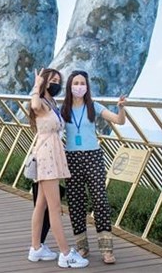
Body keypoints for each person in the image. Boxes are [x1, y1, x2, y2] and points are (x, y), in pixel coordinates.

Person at [60, 70, 126, 265]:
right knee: (76, 203)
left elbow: (119, 120)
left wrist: (121, 108)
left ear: (87, 87)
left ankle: (107, 249)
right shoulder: (64, 109)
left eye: (82, 83)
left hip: (93, 157)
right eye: (76, 83)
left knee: (100, 200)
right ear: (70, 86)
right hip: (71, 158)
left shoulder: (93, 106)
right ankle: (82, 246)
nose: (79, 86)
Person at [28, 68, 89, 269]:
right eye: (52, 80)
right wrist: (36, 85)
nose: (56, 83)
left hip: (51, 154)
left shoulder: (51, 103)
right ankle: (65, 254)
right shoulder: (40, 102)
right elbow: (34, 105)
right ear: (45, 82)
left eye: (58, 80)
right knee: (54, 208)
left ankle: (36, 248)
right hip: (47, 157)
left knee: (41, 204)